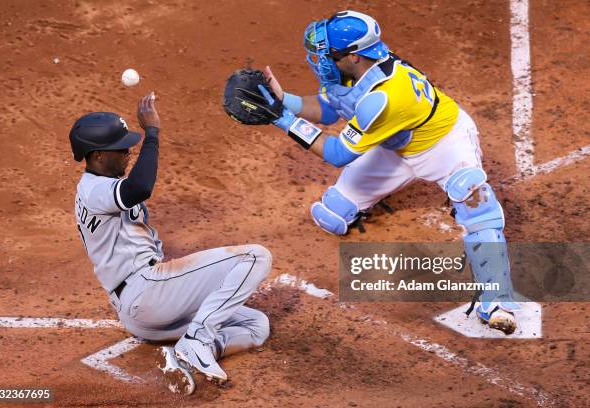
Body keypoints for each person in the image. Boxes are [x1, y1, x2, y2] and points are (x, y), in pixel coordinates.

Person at [260, 10, 521, 334]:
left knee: (476, 204)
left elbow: (339, 154)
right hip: (396, 149)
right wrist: (285, 101)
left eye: (327, 54)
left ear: (352, 55)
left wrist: (284, 122)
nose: (321, 61)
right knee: (332, 215)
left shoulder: (384, 96)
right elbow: (331, 108)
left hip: (444, 144)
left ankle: (498, 302)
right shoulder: (367, 69)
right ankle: (379, 193)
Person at [70, 92, 271, 394]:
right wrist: (152, 133)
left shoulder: (102, 187)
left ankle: (184, 358)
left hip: (146, 315)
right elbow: (140, 187)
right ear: (98, 156)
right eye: (122, 148)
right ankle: (196, 342)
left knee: (257, 324)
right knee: (255, 257)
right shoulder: (94, 190)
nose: (128, 153)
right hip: (146, 292)